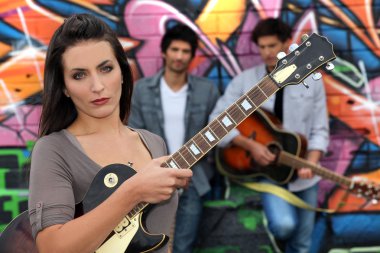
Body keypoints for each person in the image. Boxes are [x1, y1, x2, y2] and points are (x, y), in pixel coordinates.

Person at [28, 13, 193, 253]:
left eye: (106, 68)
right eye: (79, 75)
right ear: (64, 87)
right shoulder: (54, 149)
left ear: (123, 72)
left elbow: (162, 234)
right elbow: (52, 248)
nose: (97, 86)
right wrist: (133, 191)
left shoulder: (154, 143)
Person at [209, 18, 329, 253]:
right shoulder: (245, 82)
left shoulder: (311, 82)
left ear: (287, 43)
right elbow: (216, 120)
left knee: (303, 245)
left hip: (305, 176)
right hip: (270, 173)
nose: (266, 53)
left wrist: (311, 163)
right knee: (284, 226)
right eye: (262, 47)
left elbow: (320, 129)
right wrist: (249, 145)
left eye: (272, 46)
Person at [128, 24, 219, 253]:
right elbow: (133, 135)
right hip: (152, 179)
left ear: (192, 56)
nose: (179, 56)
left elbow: (215, 136)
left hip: (192, 180)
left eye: (185, 51)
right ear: (164, 52)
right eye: (175, 50)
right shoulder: (141, 90)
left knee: (183, 247)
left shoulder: (207, 90)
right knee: (150, 247)